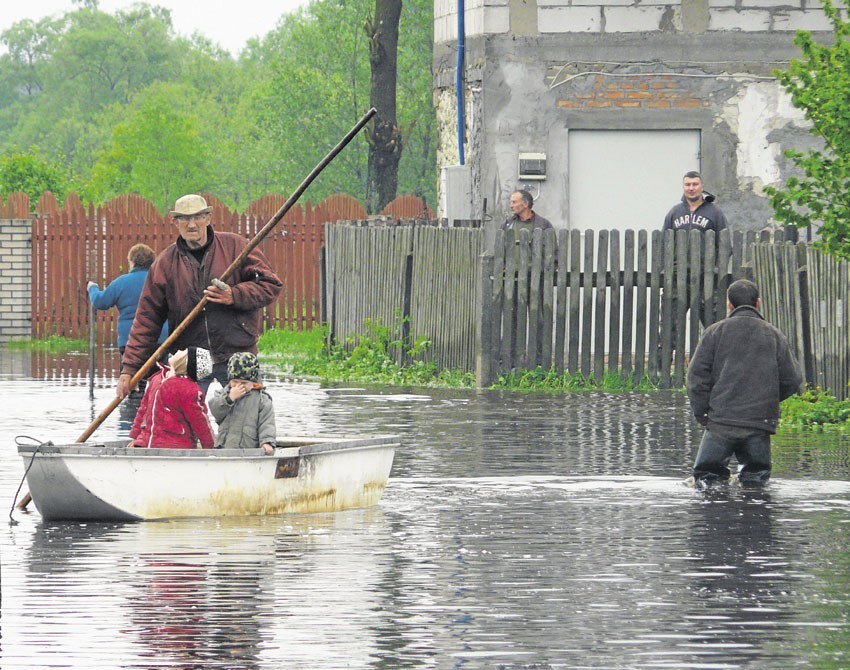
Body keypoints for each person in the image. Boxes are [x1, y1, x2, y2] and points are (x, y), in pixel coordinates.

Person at [117, 194, 283, 399]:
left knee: (245, 420)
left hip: (235, 352)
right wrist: (129, 368)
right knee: (185, 424)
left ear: (208, 217)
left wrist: (234, 295)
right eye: (185, 218)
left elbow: (271, 285)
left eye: (197, 217)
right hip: (192, 357)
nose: (192, 224)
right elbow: (146, 319)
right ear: (175, 222)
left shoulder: (236, 247)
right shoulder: (165, 264)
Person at [686, 279, 803, 488]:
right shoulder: (774, 335)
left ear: (729, 305)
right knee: (757, 484)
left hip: (720, 422)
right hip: (759, 423)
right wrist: (766, 401)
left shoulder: (714, 332)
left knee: (706, 482)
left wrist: (703, 413)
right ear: (758, 303)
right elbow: (792, 380)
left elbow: (696, 379)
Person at [87, 243, 168, 355]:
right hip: (160, 339)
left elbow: (99, 302)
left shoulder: (121, 282)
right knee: (159, 372)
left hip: (130, 340)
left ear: (132, 262)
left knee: (130, 371)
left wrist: (92, 288)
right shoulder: (162, 281)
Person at [129, 346, 216, 449]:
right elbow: (143, 409)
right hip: (146, 442)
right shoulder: (157, 378)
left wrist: (209, 447)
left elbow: (200, 421)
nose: (178, 350)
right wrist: (135, 437)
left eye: (183, 351)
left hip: (174, 446)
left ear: (185, 362)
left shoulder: (189, 389)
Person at [208, 352, 276, 454]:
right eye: (235, 382)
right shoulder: (222, 394)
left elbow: (267, 424)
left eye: (244, 383)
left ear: (253, 383)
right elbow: (216, 411)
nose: (239, 386)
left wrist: (267, 442)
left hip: (249, 451)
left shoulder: (262, 400)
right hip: (224, 450)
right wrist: (229, 398)